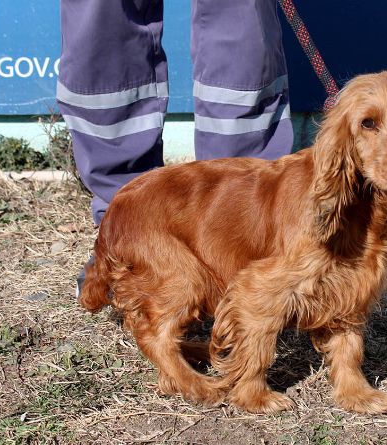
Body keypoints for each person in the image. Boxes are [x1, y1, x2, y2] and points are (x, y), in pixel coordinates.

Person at [56, 0, 294, 294]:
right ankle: (129, 240)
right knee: (103, 14)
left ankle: (242, 236)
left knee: (238, 11)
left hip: (245, 217)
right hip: (127, 220)